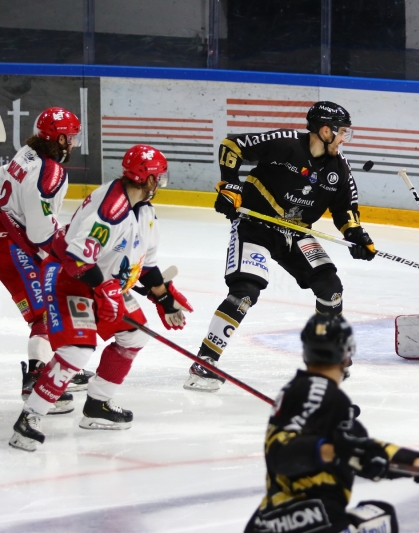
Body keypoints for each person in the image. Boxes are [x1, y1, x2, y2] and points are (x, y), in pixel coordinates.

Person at [8, 145, 193, 452]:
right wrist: (105, 291)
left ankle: (98, 404)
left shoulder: (144, 211)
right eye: (158, 177)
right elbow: (77, 259)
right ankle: (30, 417)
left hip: (100, 282)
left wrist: (164, 298)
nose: (161, 183)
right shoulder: (111, 210)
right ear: (146, 179)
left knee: (134, 335)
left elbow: (144, 266)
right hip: (69, 278)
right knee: (78, 348)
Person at [186, 101, 376, 393]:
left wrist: (357, 235)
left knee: (331, 288)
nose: (344, 139)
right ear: (325, 130)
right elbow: (232, 146)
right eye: (341, 133)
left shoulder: (339, 167)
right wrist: (230, 185)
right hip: (255, 226)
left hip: (295, 233)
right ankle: (204, 362)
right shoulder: (285, 143)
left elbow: (346, 209)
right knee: (245, 293)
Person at [244, 313, 419, 533]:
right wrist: (338, 451)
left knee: (378, 514)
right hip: (305, 521)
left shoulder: (314, 397)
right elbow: (283, 454)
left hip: (268, 523)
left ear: (305, 352)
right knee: (380, 519)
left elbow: (369, 449)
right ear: (347, 354)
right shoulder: (317, 390)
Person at [0, 107, 93, 416]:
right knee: (44, 313)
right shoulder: (51, 171)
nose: (74, 145)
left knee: (51, 302)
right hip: (11, 245)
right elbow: (41, 232)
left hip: (7, 234)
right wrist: (66, 251)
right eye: (72, 138)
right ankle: (37, 379)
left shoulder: (27, 152)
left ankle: (58, 366)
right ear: (61, 138)